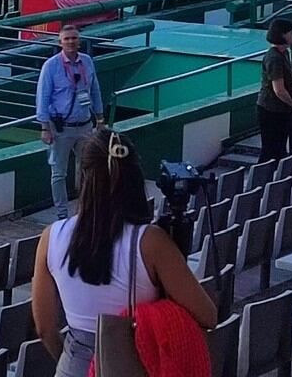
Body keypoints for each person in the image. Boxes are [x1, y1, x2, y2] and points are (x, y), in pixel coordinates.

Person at [32, 130, 217, 376]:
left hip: (74, 364)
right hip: (132, 361)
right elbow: (208, 315)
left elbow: (44, 327)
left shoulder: (50, 237)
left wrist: (72, 360)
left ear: (82, 178)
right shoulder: (152, 243)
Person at [36, 25, 105, 221]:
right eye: (66, 39)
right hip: (61, 128)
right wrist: (44, 127)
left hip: (84, 125)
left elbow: (95, 91)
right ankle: (62, 214)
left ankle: (85, 209)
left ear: (79, 41)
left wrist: (100, 118)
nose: (71, 42)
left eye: (74, 38)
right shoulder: (51, 66)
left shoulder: (87, 62)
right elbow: (43, 97)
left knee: (88, 169)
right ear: (60, 43)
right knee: (59, 173)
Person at [257, 17, 292, 161]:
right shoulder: (274, 58)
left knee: (280, 147)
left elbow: (287, 83)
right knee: (271, 149)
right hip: (271, 110)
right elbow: (279, 90)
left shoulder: (285, 53)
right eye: (291, 33)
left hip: (282, 110)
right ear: (282, 35)